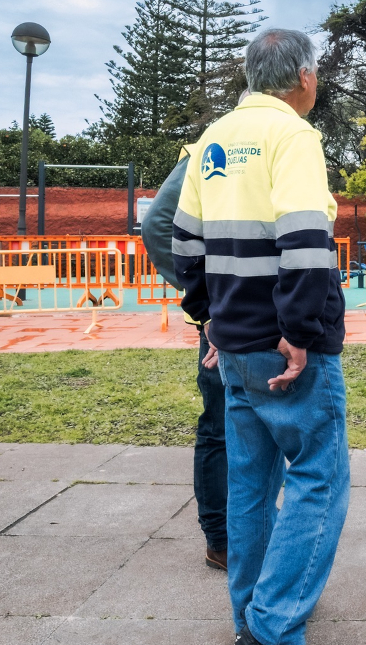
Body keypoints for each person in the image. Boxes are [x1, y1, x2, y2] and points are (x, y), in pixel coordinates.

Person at [173, 28, 351, 645]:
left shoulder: (212, 139)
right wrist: (300, 331)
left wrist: (208, 319)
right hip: (284, 347)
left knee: (250, 487)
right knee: (319, 479)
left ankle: (252, 621)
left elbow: (184, 243)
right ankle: (273, 639)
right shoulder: (293, 137)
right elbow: (305, 240)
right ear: (303, 76)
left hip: (234, 344)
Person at [140, 141, 229, 572]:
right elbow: (157, 225)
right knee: (220, 428)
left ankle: (249, 530)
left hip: (252, 315)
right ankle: (221, 539)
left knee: (251, 430)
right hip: (224, 319)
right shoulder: (211, 148)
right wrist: (207, 304)